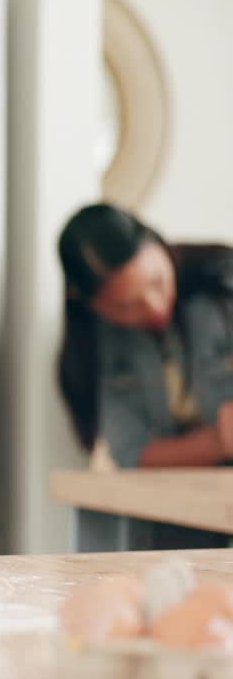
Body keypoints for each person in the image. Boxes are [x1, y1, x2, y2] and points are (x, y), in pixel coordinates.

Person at [58, 203, 233, 547]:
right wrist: (220, 440)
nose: (153, 307)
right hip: (177, 515)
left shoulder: (222, 286)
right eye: (126, 305)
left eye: (157, 281)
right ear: (90, 305)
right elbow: (130, 452)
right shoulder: (101, 345)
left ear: (160, 245)